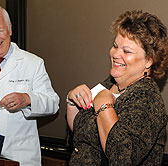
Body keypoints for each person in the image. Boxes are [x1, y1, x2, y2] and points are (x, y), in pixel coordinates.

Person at [66, 10, 168, 165]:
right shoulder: (109, 84)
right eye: (115, 46)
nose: (115, 54)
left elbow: (122, 158)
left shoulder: (147, 100)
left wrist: (104, 107)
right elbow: (82, 132)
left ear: (149, 60)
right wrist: (73, 102)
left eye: (126, 51)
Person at [0, 3, 59, 166]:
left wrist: (27, 99)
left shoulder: (33, 63)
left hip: (19, 156)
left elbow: (53, 103)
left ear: (10, 29)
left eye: (0, 30)